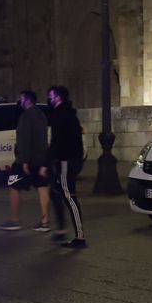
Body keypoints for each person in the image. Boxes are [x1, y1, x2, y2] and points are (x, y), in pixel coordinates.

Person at [2, 90, 51, 232]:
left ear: (27, 100)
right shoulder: (41, 115)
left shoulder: (26, 116)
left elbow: (25, 139)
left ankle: (15, 220)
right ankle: (45, 222)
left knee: (13, 186)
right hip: (41, 158)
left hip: (26, 159)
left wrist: (24, 160)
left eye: (21, 98)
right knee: (42, 188)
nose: (19, 100)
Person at [45, 84, 87, 248]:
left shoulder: (60, 115)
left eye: (51, 95)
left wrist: (48, 162)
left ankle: (80, 237)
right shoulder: (69, 115)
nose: (49, 98)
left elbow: (57, 142)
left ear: (58, 97)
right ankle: (62, 230)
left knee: (69, 196)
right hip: (70, 160)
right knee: (56, 192)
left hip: (66, 161)